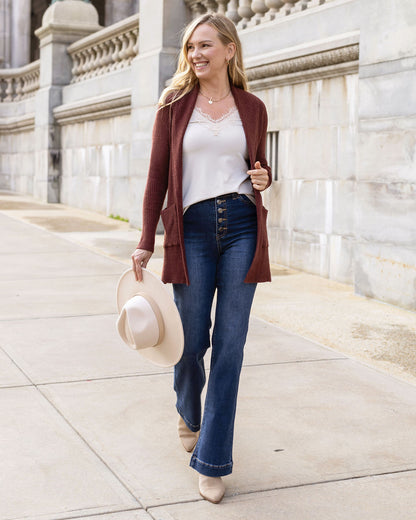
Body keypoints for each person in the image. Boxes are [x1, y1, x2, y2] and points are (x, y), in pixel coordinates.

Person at [131, 12, 272, 504]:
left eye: (206, 45)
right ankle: (188, 410)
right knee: (191, 341)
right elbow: (156, 178)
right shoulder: (173, 105)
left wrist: (263, 178)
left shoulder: (252, 107)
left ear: (229, 50)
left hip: (240, 228)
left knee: (230, 346)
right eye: (191, 47)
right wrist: (147, 239)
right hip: (189, 230)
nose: (196, 54)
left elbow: (254, 164)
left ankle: (212, 459)